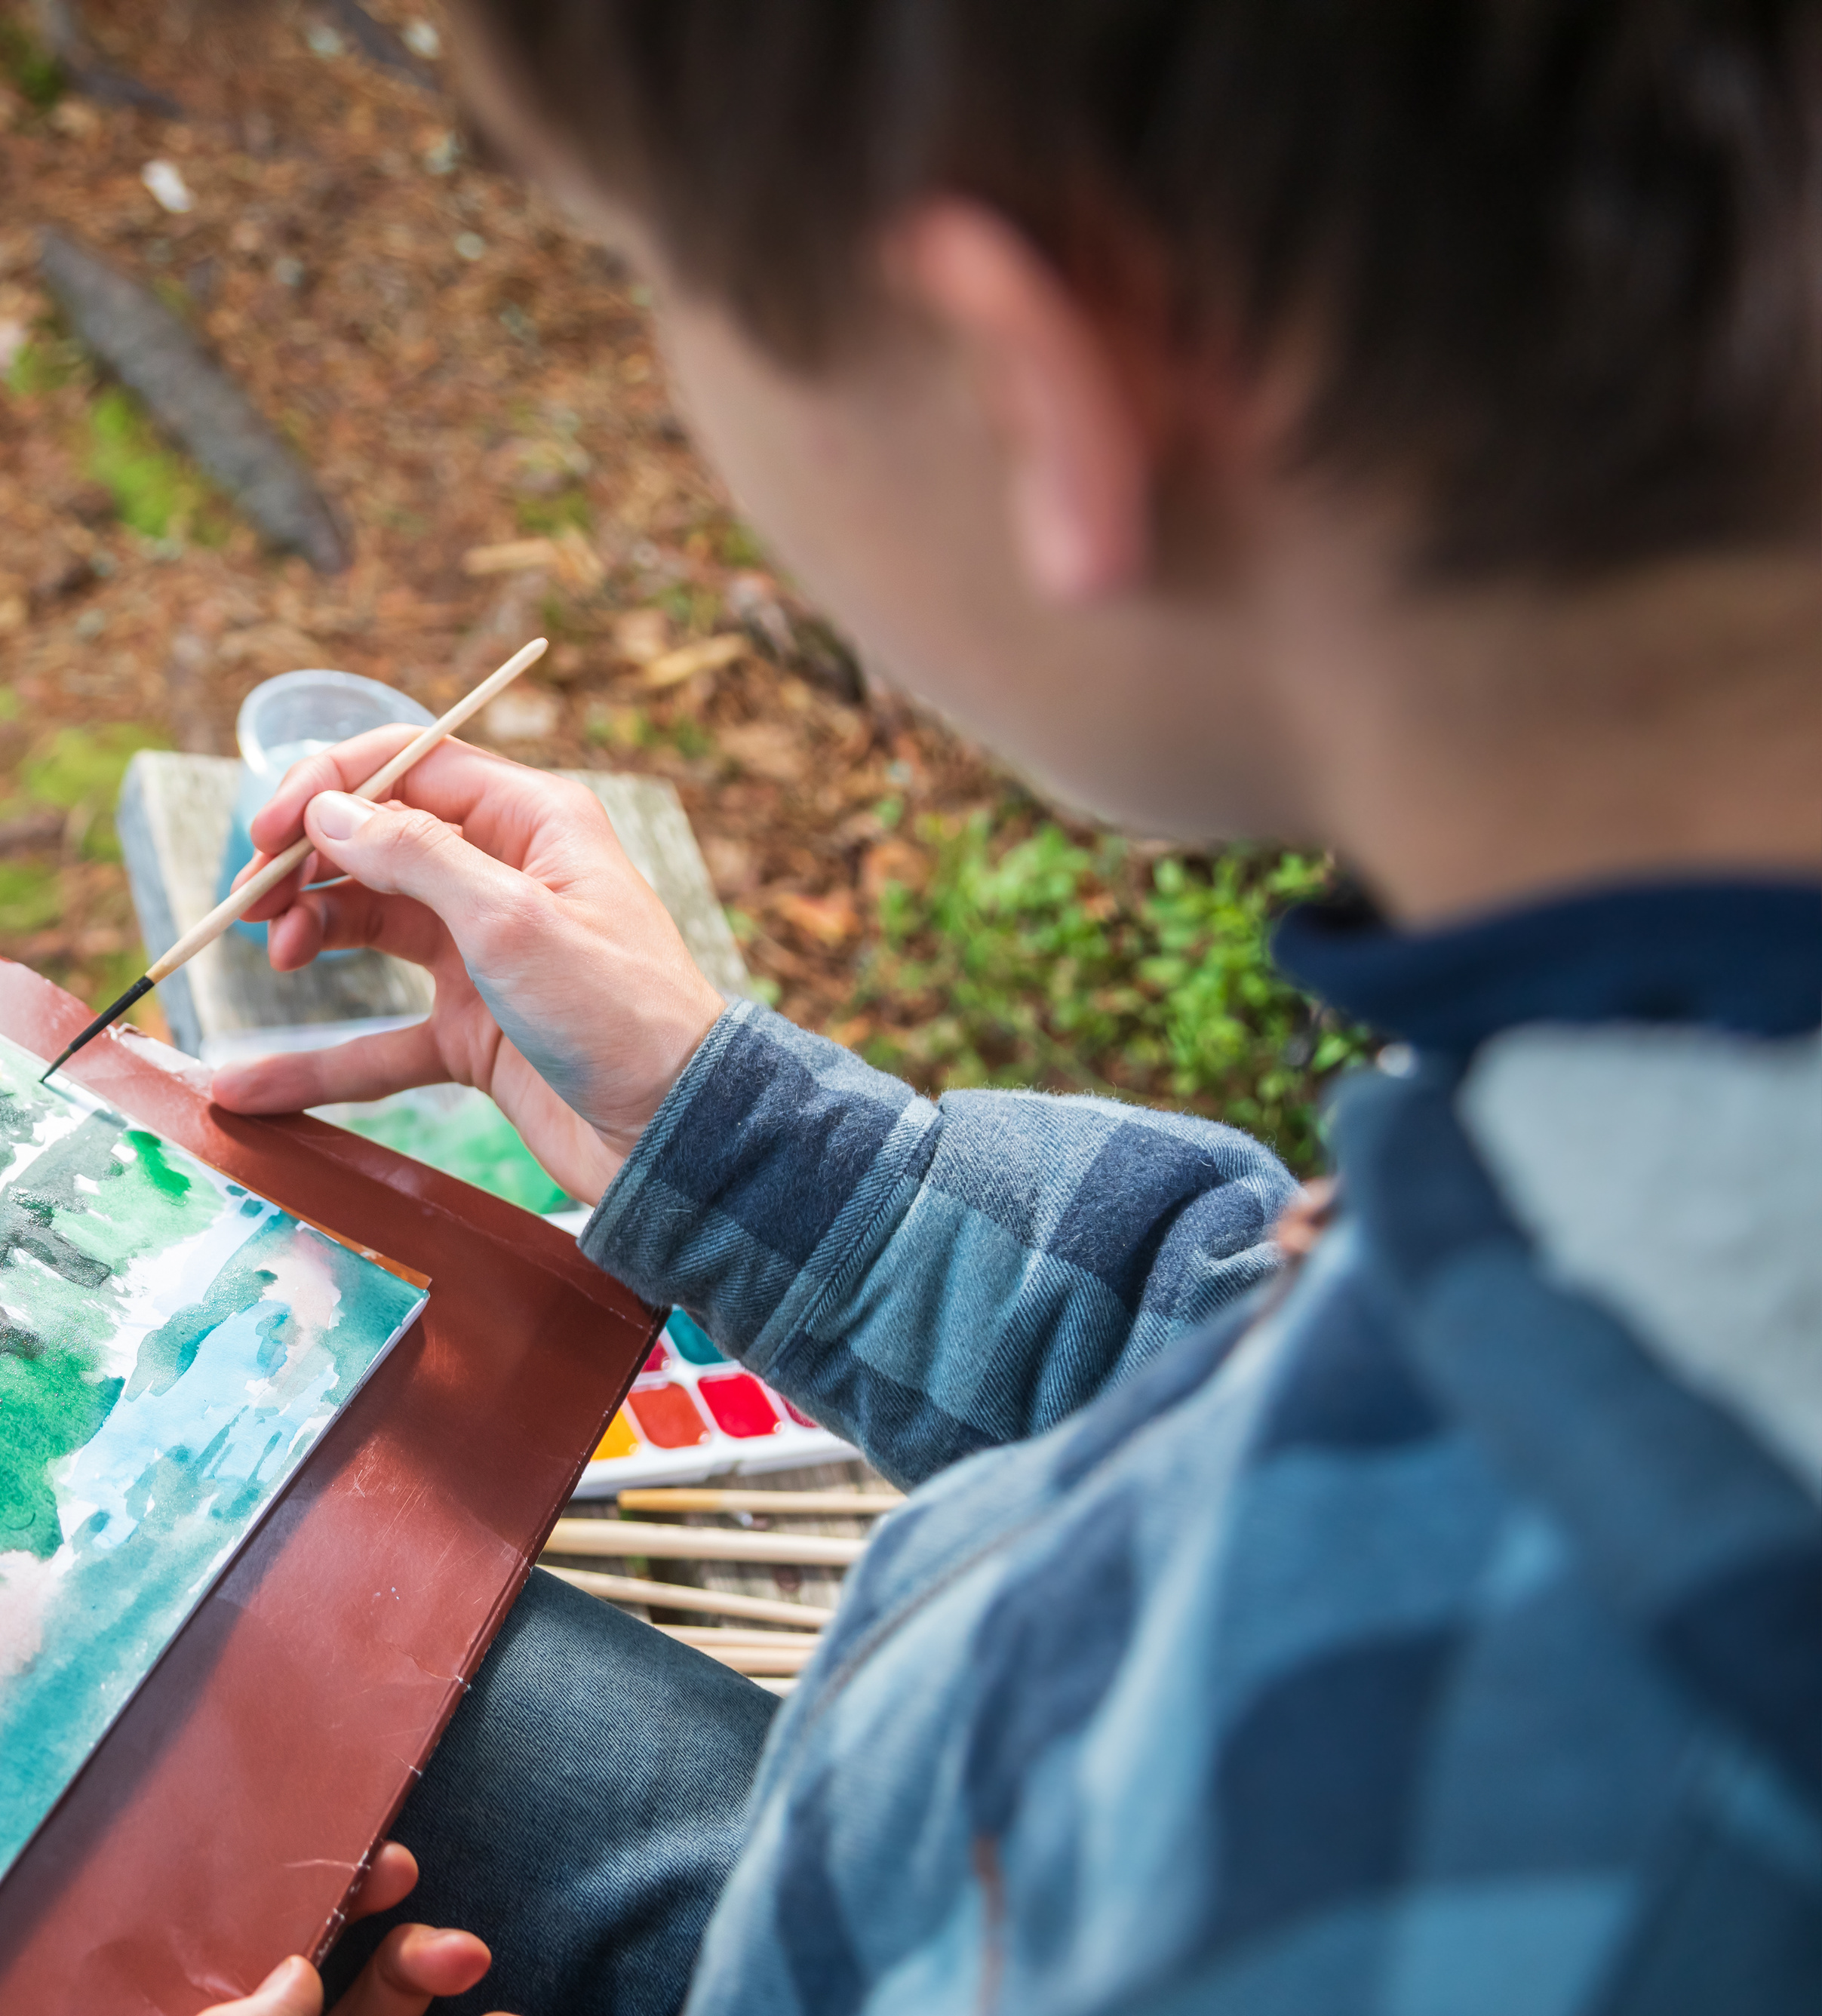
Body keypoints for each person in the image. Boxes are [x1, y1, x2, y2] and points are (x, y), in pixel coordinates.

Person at [189, 4, 1822, 2012]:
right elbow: (1261, 1338)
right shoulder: (1665, 1043)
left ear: (1027, 384)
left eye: (658, 283)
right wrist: (764, 1155)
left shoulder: (1413, 1813)